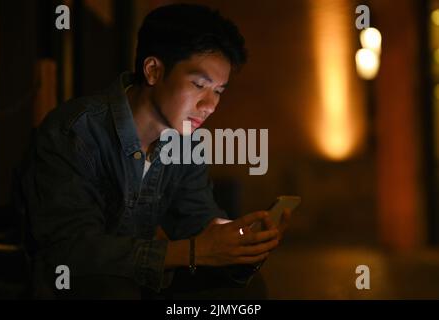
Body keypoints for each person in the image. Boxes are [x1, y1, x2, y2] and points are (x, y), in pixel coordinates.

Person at [18, 3, 291, 299]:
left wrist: (238, 242)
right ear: (153, 70)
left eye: (219, 91)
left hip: (144, 280)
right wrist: (193, 251)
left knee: (246, 292)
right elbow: (74, 251)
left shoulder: (187, 142)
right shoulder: (76, 132)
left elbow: (198, 219)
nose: (210, 105)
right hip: (74, 284)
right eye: (199, 84)